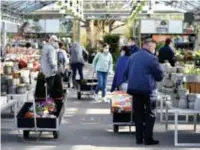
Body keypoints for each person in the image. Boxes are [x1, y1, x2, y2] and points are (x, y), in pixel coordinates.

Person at [125, 39, 164, 145]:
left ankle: (138, 138)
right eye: (154, 47)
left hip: (134, 90)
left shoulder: (132, 57)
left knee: (138, 114)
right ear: (150, 47)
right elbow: (159, 76)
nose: (154, 49)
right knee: (150, 114)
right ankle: (148, 139)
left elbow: (125, 73)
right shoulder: (152, 58)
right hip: (148, 90)